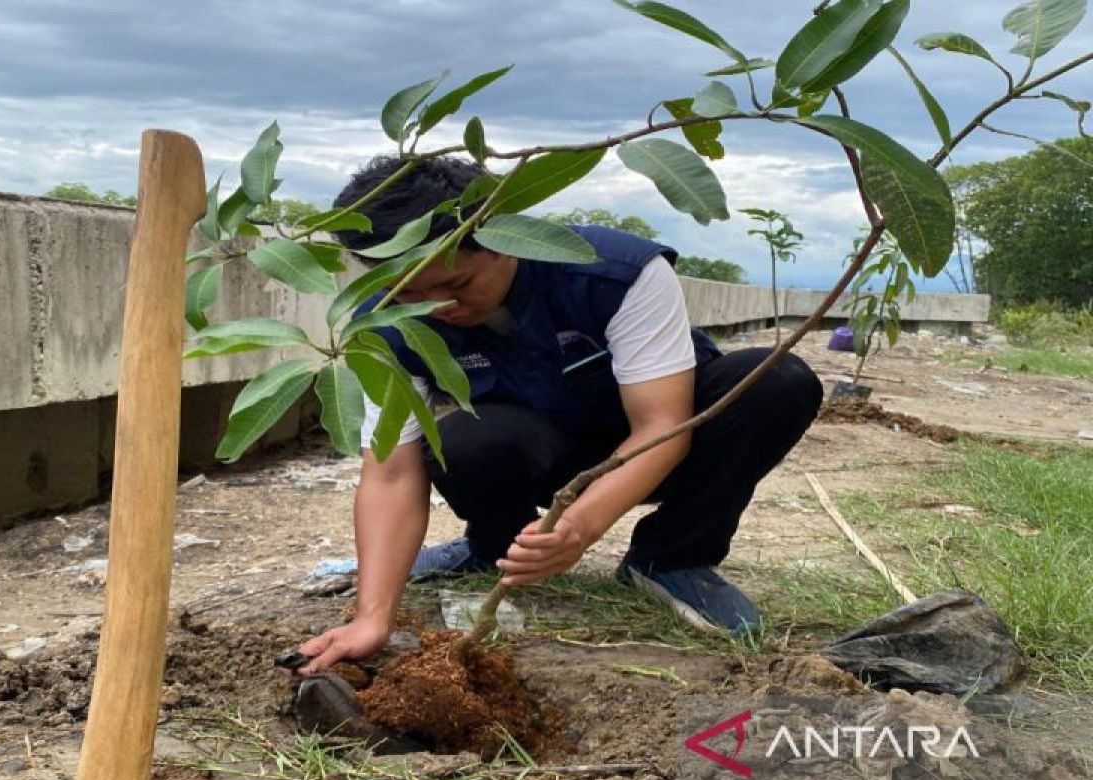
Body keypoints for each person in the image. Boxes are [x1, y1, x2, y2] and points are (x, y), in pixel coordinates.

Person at [297, 156, 823, 674]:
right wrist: (373, 617)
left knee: (775, 381)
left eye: (456, 286)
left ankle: (671, 558)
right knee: (464, 439)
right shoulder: (384, 325)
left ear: (504, 240)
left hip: (660, 445)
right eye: (410, 292)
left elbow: (661, 426)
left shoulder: (614, 272)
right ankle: (498, 547)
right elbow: (390, 470)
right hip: (539, 449)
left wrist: (578, 528)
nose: (436, 308)